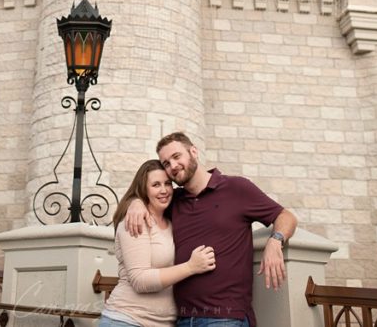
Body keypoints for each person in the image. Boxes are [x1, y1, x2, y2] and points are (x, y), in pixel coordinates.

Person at [125, 132, 298, 327]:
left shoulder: (237, 188)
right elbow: (149, 196)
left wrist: (275, 241)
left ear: (193, 152)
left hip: (224, 317)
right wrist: (136, 203)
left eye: (176, 156)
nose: (172, 166)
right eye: (166, 163)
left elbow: (286, 216)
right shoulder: (175, 200)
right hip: (180, 319)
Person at [103, 159, 217, 327]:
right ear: (144, 189)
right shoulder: (136, 220)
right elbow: (140, 280)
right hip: (127, 319)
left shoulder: (172, 221)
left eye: (167, 183)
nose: (164, 190)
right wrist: (191, 267)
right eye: (155, 185)